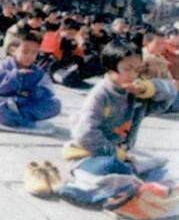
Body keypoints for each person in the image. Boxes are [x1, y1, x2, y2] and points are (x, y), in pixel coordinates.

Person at [62, 40, 177, 210]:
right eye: (127, 69)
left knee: (159, 169)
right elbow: (84, 133)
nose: (133, 75)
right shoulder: (101, 94)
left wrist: (149, 88)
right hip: (90, 156)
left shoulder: (136, 94)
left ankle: (131, 185)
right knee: (113, 167)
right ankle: (95, 191)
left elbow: (169, 97)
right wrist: (115, 153)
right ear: (110, 68)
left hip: (122, 158)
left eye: (137, 70)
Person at [0, 31, 61, 128]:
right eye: (25, 52)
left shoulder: (38, 72)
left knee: (55, 104)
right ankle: (23, 120)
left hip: (26, 104)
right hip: (4, 101)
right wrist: (15, 76)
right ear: (13, 50)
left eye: (34, 53)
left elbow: (48, 91)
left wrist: (35, 92)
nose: (29, 56)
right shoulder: (3, 66)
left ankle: (20, 117)